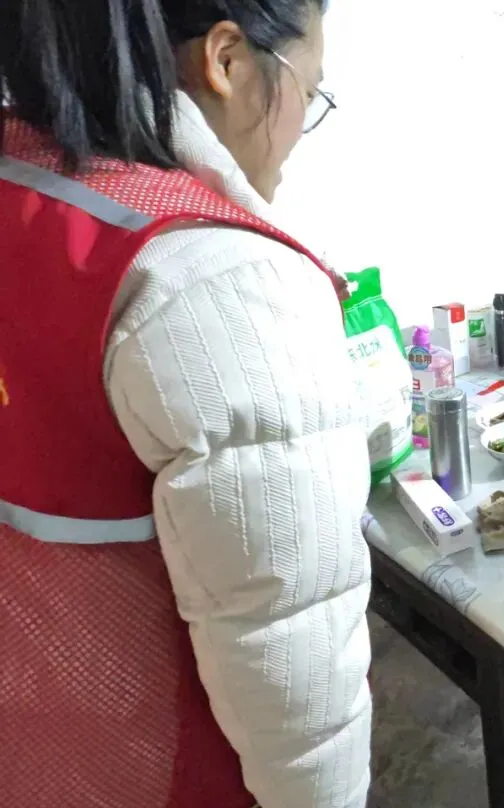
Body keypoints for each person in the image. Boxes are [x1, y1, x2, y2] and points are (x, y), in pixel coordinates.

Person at [1, 3, 373, 808]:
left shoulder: (24, 183)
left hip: (37, 748)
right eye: (312, 92)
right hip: (169, 772)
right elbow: (298, 697)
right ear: (227, 61)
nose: (302, 126)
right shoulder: (221, 280)